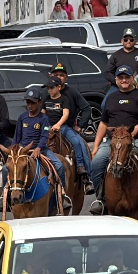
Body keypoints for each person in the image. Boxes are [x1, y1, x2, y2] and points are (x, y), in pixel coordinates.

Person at [90, 65, 138, 217]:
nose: (124, 80)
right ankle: (100, 199)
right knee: (97, 162)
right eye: (120, 77)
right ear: (116, 80)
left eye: (127, 77)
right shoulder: (110, 98)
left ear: (132, 79)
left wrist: (136, 129)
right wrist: (96, 146)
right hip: (114, 139)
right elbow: (104, 123)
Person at [0, 88, 71, 211]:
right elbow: (17, 136)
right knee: (5, 169)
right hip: (22, 150)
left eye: (33, 103)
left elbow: (45, 135)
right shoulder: (22, 117)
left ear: (39, 103)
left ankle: (62, 195)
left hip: (41, 148)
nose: (30, 105)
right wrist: (14, 150)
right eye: (28, 102)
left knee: (59, 165)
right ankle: (6, 196)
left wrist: (39, 148)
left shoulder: (43, 118)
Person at [45, 64, 94, 194]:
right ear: (51, 76)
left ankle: (86, 176)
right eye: (56, 75)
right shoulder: (46, 92)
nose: (59, 77)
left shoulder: (72, 93)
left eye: (62, 75)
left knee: (80, 144)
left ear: (66, 78)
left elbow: (87, 108)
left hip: (66, 127)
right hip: (47, 126)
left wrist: (80, 126)